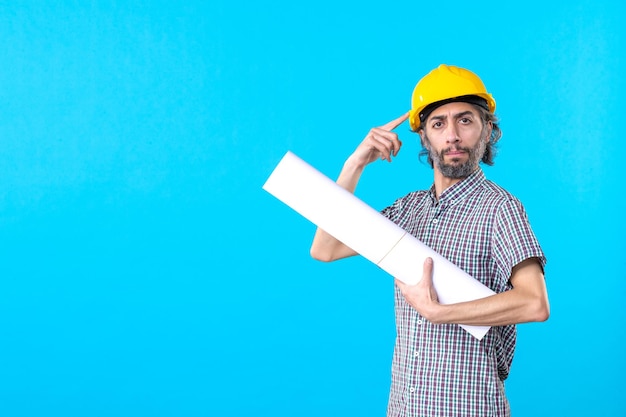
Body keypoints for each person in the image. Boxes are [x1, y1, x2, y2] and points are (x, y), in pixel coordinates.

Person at [310, 64, 550, 416]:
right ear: (424, 137)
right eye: (438, 124)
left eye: (465, 120)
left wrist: (440, 313)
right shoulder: (407, 211)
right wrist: (355, 165)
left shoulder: (501, 209)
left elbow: (535, 303)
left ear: (487, 129)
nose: (452, 135)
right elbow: (325, 248)